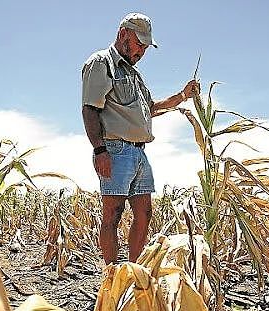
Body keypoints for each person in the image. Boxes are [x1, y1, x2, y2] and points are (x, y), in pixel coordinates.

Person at [81, 12, 199, 264]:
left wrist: (183, 95)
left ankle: (133, 272)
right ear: (123, 34)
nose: (141, 51)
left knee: (144, 212)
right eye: (139, 43)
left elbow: (152, 108)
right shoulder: (101, 63)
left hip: (139, 153)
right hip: (114, 150)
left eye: (145, 47)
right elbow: (90, 108)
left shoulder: (135, 76)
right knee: (112, 214)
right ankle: (112, 277)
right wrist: (99, 150)